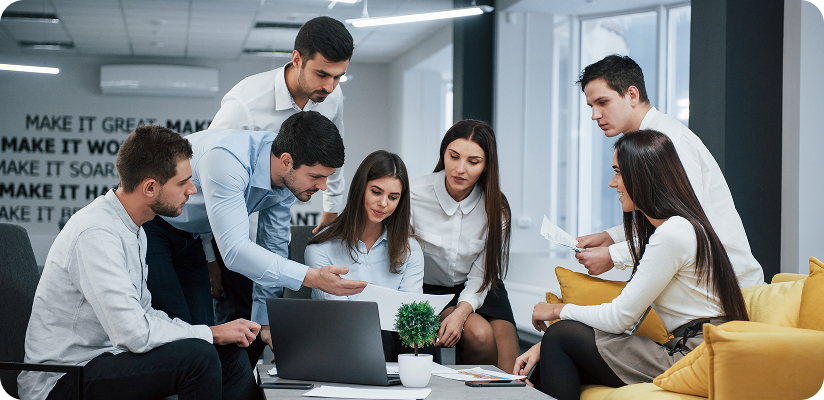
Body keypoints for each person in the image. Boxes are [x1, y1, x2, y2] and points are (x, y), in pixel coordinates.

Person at [18, 125, 263, 400]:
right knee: (200, 356)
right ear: (150, 188)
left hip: (106, 360)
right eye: (183, 183)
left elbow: (145, 314)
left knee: (227, 355)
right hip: (63, 379)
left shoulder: (134, 227)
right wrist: (210, 332)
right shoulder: (96, 232)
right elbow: (133, 334)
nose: (193, 190)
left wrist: (214, 335)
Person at [514, 130, 750, 400]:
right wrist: (543, 347)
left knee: (561, 336)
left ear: (642, 174)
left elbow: (619, 318)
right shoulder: (674, 229)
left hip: (695, 355)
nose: (613, 183)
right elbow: (629, 321)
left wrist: (556, 310)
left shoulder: (674, 233)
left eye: (618, 172)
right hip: (691, 348)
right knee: (557, 345)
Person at [143, 111, 367, 366]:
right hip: (155, 224)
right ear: (286, 161)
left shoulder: (285, 177)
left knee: (202, 337)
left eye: (327, 177)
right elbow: (235, 252)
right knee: (182, 335)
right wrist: (312, 277)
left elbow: (273, 246)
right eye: (316, 176)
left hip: (193, 235)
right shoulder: (228, 160)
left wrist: (265, 322)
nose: (324, 186)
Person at [574, 55, 765, 288]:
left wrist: (615, 256)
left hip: (726, 288)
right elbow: (666, 214)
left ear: (632, 95)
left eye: (602, 103)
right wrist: (612, 237)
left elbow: (688, 227)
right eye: (591, 106)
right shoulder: (645, 142)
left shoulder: (668, 141)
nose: (594, 115)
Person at [209, 16, 353, 233]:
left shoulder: (332, 96)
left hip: (279, 213)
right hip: (234, 218)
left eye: (337, 77)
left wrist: (333, 206)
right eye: (321, 74)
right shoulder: (245, 103)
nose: (330, 86)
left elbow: (334, 150)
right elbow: (210, 167)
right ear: (297, 59)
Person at [410, 119, 520, 374]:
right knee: (479, 334)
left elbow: (482, 274)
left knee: (512, 378)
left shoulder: (496, 209)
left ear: (486, 166)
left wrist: (461, 311)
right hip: (429, 288)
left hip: (481, 285)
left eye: (473, 162)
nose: (460, 169)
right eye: (454, 156)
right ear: (443, 154)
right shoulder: (414, 194)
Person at [305, 150, 425, 360]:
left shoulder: (410, 248)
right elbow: (338, 314)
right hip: (340, 339)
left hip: (394, 343)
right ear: (361, 188)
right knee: (378, 335)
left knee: (415, 338)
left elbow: (411, 313)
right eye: (376, 192)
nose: (384, 203)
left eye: (393, 197)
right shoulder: (321, 247)